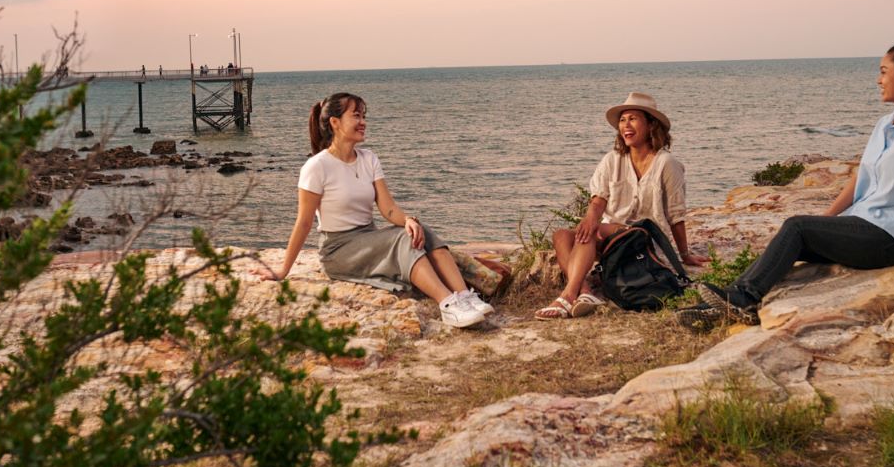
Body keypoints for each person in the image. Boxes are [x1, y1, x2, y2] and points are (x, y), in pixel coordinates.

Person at [678, 41, 894, 332]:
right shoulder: (884, 125)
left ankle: (742, 298)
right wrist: (826, 220)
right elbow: (860, 178)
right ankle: (727, 303)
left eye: (884, 71)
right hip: (864, 225)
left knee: (797, 227)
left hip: (890, 239)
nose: (878, 79)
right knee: (796, 235)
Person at [268, 92, 493, 328]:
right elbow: (303, 223)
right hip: (339, 250)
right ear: (335, 122)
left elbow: (388, 209)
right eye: (356, 116)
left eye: (364, 116)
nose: (363, 122)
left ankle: (464, 296)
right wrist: (283, 270)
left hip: (367, 237)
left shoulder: (369, 159)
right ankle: (447, 304)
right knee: (401, 239)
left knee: (417, 230)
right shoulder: (316, 166)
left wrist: (408, 220)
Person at [535, 92, 705, 320]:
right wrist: (589, 217)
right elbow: (598, 200)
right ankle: (585, 291)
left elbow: (675, 214)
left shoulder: (667, 163)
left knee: (592, 229)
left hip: (645, 240)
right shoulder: (612, 160)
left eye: (633, 118)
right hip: (613, 238)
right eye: (623, 120)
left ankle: (567, 295)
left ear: (651, 125)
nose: (626, 125)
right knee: (561, 236)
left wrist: (684, 254)